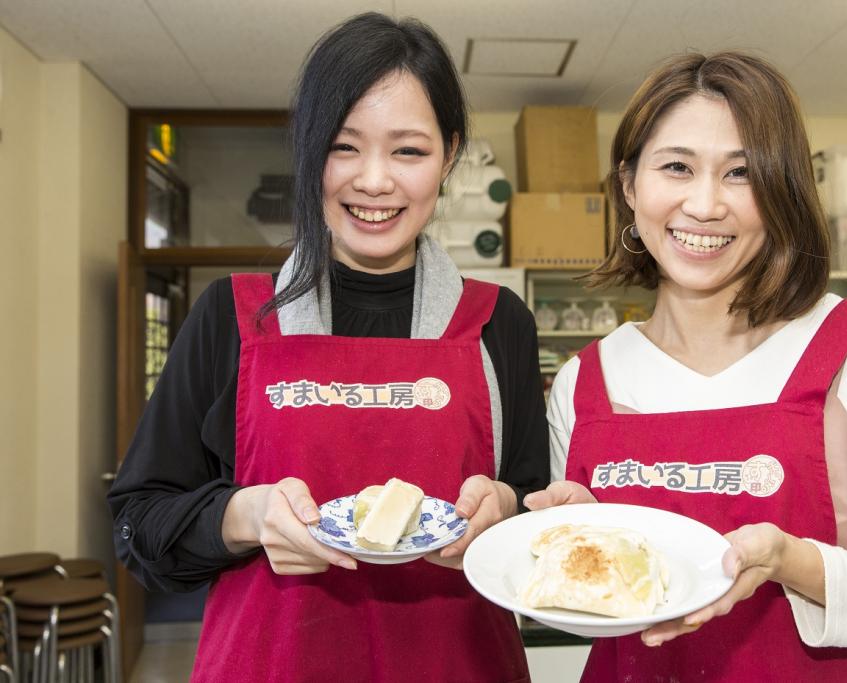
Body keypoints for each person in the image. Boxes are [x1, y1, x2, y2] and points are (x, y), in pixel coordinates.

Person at [108, 13, 546, 683]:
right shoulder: (231, 316)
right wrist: (242, 515)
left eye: (408, 150)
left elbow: (538, 518)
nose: (374, 181)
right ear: (309, 151)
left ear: (450, 154)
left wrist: (507, 510)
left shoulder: (498, 323)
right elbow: (138, 525)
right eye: (344, 146)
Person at [525, 52, 847, 682]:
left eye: (741, 173)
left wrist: (793, 562)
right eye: (676, 167)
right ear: (631, 186)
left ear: (782, 193)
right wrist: (575, 546)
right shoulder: (587, 379)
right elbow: (582, 620)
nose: (705, 204)